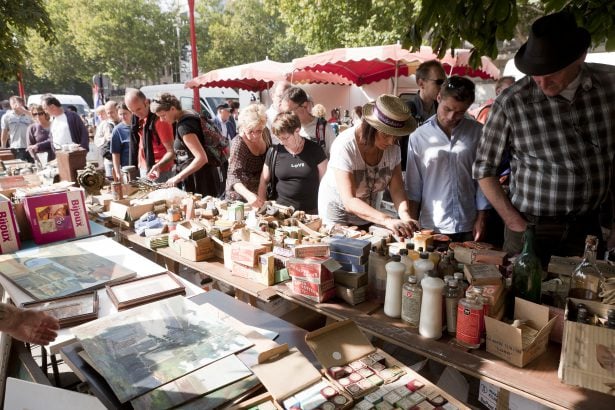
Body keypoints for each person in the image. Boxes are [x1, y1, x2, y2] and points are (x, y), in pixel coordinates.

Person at [473, 11, 615, 263]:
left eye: (552, 74)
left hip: (589, 226)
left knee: (582, 297)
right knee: (523, 299)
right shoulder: (512, 102)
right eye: (536, 74)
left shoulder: (610, 86)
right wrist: (514, 222)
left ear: (580, 57)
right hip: (531, 227)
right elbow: (484, 169)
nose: (542, 83)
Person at [318, 95, 418, 238]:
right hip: (337, 213)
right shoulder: (345, 146)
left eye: (396, 136)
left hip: (369, 212)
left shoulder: (393, 148)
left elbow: (397, 189)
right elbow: (349, 200)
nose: (391, 141)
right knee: (344, 251)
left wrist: (405, 216)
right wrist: (387, 220)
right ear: (371, 127)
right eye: (386, 134)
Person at [406, 76, 489, 242]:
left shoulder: (478, 133)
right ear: (439, 98)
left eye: (459, 112)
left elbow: (483, 180)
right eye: (447, 109)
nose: (451, 116)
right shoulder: (418, 137)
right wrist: (412, 225)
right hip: (432, 225)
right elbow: (414, 187)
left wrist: (482, 217)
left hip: (468, 223)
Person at [150, 93, 220, 196]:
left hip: (200, 182)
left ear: (173, 108)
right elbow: (181, 152)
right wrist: (159, 165)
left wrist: (177, 178)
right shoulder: (189, 114)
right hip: (203, 178)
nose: (162, 120)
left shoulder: (184, 127)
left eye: (163, 115)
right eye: (159, 117)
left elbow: (201, 158)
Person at [258, 112, 328, 213]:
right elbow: (263, 181)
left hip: (311, 213)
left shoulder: (315, 150)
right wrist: (263, 208)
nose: (282, 142)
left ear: (297, 131)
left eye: (285, 138)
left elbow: (325, 183)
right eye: (279, 138)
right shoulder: (274, 151)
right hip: (281, 212)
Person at [401, 60, 447, 171]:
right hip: (412, 173)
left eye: (445, 82)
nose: (443, 87)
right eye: (439, 82)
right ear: (421, 83)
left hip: (435, 172)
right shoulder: (407, 110)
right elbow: (399, 148)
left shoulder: (443, 110)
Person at [124, 88, 175, 182]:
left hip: (161, 170)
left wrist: (158, 166)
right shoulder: (137, 119)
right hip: (144, 168)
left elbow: (171, 151)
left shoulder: (160, 120)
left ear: (146, 102)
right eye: (132, 111)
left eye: (139, 109)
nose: (136, 114)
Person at [225, 104, 270, 207]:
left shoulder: (265, 133)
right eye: (250, 131)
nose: (255, 135)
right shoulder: (239, 143)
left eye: (258, 130)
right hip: (240, 199)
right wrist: (248, 195)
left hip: (260, 194)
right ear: (243, 127)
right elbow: (233, 176)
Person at [280, 87, 336, 157]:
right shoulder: (287, 129)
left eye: (289, 112)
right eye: (283, 113)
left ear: (305, 106)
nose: (285, 117)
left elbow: (335, 158)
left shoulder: (324, 129)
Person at [1, 96, 33, 161]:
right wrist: (3, 147)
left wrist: (24, 111)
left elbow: (37, 120)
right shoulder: (7, 116)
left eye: (17, 102)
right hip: (16, 147)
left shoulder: (29, 114)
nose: (15, 105)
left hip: (30, 146)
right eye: (13, 103)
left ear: (22, 103)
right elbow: (4, 132)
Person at [110, 104, 132, 182]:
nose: (123, 117)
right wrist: (117, 172)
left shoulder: (139, 126)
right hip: (127, 169)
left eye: (125, 113)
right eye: (120, 114)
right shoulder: (117, 130)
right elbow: (115, 154)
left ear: (131, 112)